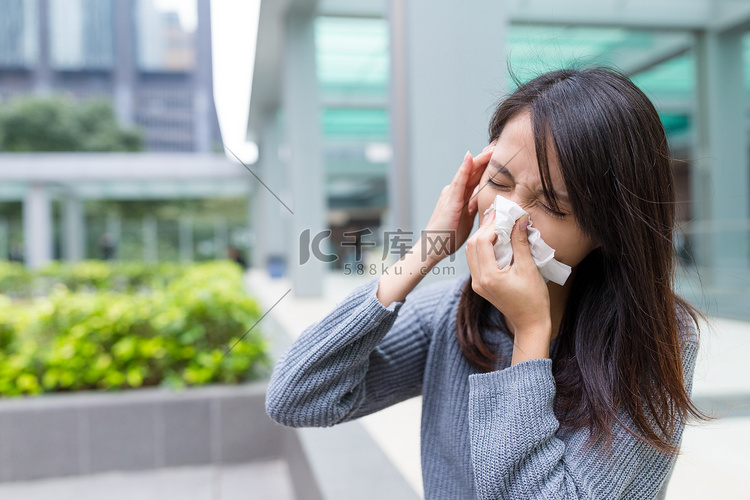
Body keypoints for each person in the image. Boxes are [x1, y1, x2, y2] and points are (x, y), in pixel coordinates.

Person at [265, 66, 715, 499]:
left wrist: (531, 333)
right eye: (498, 180)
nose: (509, 215)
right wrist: (427, 250)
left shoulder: (658, 338)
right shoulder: (452, 315)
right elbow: (296, 396)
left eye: (551, 205)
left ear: (610, 227)